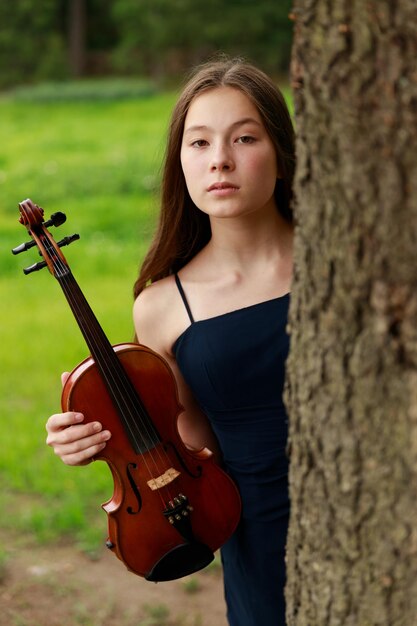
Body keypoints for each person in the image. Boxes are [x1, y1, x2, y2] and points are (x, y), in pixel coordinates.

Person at [46, 57, 295, 626]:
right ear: (180, 163)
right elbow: (189, 451)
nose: (220, 161)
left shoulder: (343, 267)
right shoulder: (162, 306)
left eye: (245, 138)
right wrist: (100, 434)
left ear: (281, 153)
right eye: (199, 143)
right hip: (261, 540)